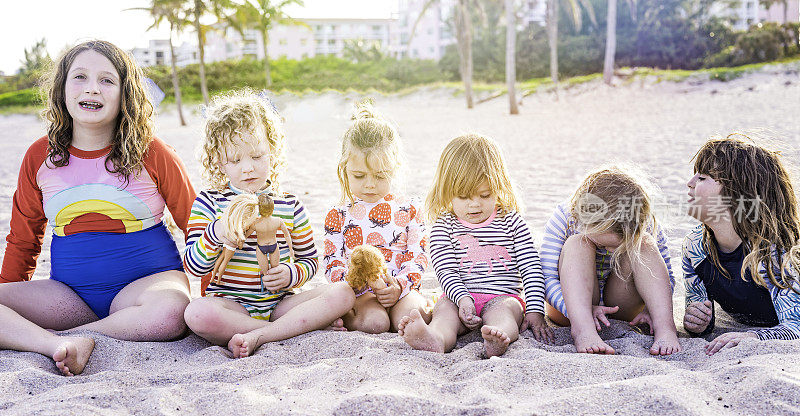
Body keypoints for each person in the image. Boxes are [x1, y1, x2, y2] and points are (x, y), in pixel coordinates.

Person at [0, 40, 196, 376]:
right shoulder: (39, 157)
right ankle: (59, 344)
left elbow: (197, 225)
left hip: (146, 289)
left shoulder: (152, 152)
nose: (93, 89)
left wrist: (215, 296)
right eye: (80, 77)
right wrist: (8, 292)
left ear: (125, 94)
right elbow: (24, 240)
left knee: (172, 313)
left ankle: (65, 338)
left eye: (107, 80)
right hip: (69, 296)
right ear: (62, 88)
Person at [182, 89, 355, 358]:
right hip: (231, 307)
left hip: (281, 303)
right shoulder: (209, 201)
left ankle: (264, 333)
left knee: (344, 292)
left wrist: (290, 274)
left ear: (272, 150)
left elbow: (310, 261)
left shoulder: (289, 204)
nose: (247, 168)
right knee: (196, 313)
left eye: (257, 156)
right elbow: (193, 266)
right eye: (235, 160)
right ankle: (288, 330)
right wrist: (216, 231)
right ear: (219, 161)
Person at [398, 134, 552, 358]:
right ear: (447, 192)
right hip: (457, 297)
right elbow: (445, 270)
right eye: (462, 196)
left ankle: (497, 339)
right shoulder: (445, 226)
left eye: (485, 194)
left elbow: (531, 267)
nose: (474, 204)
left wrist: (536, 309)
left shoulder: (512, 221)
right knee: (444, 313)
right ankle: (436, 338)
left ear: (499, 186)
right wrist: (462, 299)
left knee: (505, 314)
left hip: (501, 297)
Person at [540, 166, 681, 355]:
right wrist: (584, 309)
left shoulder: (640, 220)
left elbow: (666, 277)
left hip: (619, 307)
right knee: (578, 243)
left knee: (644, 243)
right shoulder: (566, 217)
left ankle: (665, 329)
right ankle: (583, 331)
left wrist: (650, 310)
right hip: (569, 307)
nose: (612, 251)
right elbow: (546, 279)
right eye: (605, 244)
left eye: (620, 245)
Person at [682, 134, 800, 355]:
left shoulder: (777, 253)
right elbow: (700, 314)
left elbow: (796, 327)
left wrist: (752, 336)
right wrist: (697, 320)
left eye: (703, 178)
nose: (690, 183)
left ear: (737, 193)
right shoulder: (694, 247)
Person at [322, 100, 430, 333]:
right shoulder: (338, 214)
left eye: (380, 176)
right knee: (376, 323)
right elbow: (332, 262)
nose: (370, 185)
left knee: (414, 314)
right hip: (362, 295)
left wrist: (398, 286)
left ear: (395, 167)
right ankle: (347, 316)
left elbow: (418, 257)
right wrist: (359, 284)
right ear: (344, 168)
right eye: (359, 176)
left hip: (402, 290)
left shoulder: (410, 209)